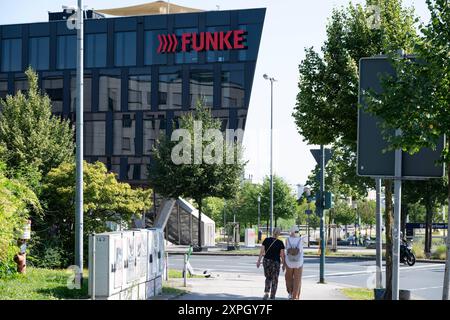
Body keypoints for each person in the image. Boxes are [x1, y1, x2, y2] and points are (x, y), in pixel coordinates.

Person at [256, 227, 285, 300]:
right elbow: (282, 255)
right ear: (279, 233)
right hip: (276, 262)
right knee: (275, 279)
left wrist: (259, 261)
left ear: (272, 232)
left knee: (268, 277)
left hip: (267, 261)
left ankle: (266, 293)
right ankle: (273, 295)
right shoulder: (280, 243)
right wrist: (284, 264)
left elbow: (262, 251)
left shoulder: (266, 240)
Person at [284, 226, 307, 300]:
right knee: (298, 279)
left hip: (289, 261)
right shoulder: (301, 239)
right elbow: (306, 240)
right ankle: (296, 296)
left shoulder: (287, 239)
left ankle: (290, 293)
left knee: (289, 278)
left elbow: (286, 249)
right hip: (299, 262)